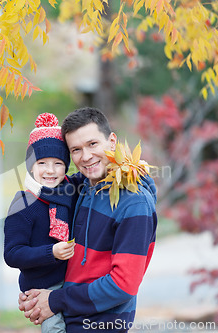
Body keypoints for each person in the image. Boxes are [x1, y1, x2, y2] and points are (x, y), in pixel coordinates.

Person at [19, 107, 158, 332]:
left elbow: (123, 285)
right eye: (76, 149)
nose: (85, 156)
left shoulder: (134, 203)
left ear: (112, 141)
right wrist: (35, 296)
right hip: (70, 319)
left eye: (93, 144)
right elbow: (43, 182)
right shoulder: (81, 187)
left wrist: (54, 300)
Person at [4, 112, 84, 333]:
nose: (50, 170)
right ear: (31, 165)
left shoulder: (69, 188)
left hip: (70, 280)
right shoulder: (23, 203)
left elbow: (96, 170)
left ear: (66, 165)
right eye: (42, 163)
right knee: (55, 329)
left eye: (58, 163)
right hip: (41, 285)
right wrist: (52, 252)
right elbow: (12, 254)